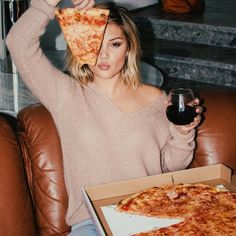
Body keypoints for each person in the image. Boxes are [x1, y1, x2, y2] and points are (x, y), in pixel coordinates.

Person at [6, 0, 202, 235]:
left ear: (129, 48)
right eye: (96, 42)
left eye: (115, 44)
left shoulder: (157, 99)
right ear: (82, 45)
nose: (103, 54)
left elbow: (170, 166)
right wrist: (49, 2)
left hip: (150, 215)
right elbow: (18, 43)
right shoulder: (67, 95)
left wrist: (183, 133)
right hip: (92, 222)